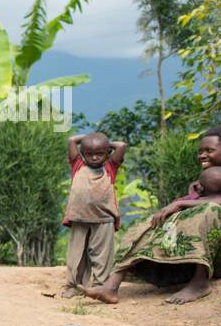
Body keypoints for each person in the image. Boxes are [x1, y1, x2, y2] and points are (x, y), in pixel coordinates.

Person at [82, 127, 221, 305]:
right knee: (147, 223)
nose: (202, 155)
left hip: (215, 256)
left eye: (209, 151)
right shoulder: (205, 179)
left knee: (208, 211)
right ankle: (111, 286)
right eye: (200, 151)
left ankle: (200, 282)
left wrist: (181, 204)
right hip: (197, 258)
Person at [61, 131, 128, 296]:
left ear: (107, 154)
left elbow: (121, 146)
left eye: (100, 153)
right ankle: (73, 287)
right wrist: (88, 139)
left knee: (102, 256)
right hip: (79, 218)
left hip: (104, 219)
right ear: (82, 154)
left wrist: (103, 141)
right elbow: (71, 140)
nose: (95, 158)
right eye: (89, 154)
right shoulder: (77, 165)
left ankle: (100, 286)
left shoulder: (110, 167)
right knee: (76, 256)